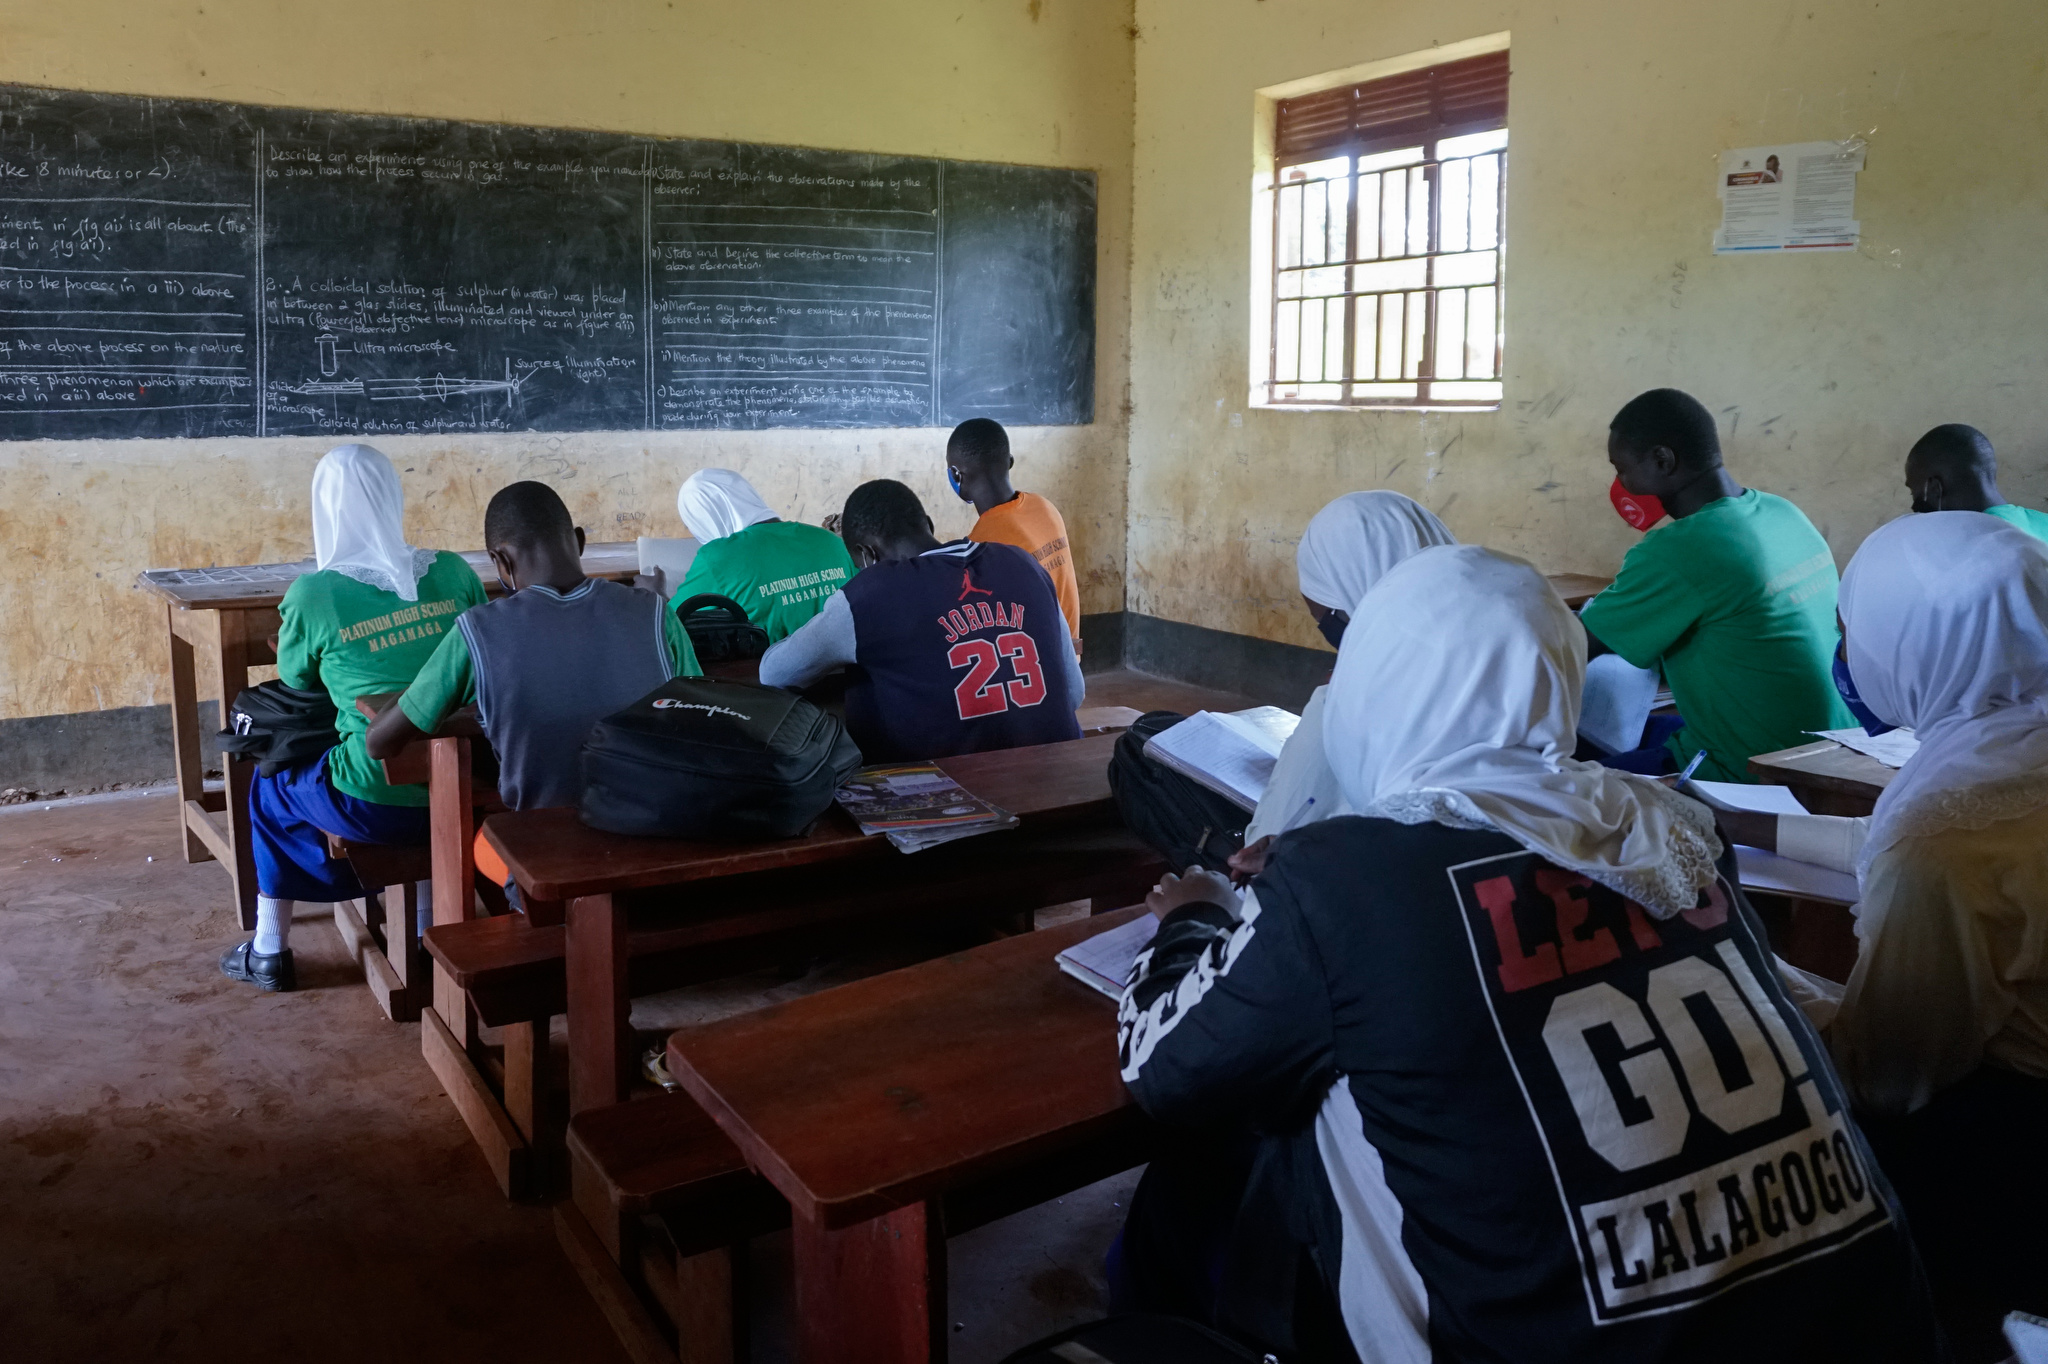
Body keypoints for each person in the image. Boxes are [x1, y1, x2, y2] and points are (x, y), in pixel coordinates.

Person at [1114, 544, 1946, 1361]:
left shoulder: (1345, 879)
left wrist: (1197, 915)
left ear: (1374, 686)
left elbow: (1163, 1070)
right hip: (1875, 1323)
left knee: (1274, 1129)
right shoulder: (1672, 827)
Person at [1711, 512, 2048, 1342]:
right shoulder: (2004, 756)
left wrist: (1764, 980)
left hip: (2020, 1147)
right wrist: (1738, 823)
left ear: (1915, 643)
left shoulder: (1944, 829)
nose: (1849, 655)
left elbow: (1890, 1070)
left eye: (1855, 630)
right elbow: (1900, 854)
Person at [222, 444, 487, 992]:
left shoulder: (313, 594)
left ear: (323, 507)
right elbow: (482, 651)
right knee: (433, 762)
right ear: (394, 496)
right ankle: (424, 932)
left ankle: (269, 949)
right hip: (476, 787)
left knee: (270, 785)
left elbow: (299, 684)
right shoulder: (455, 571)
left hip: (375, 802)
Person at [1110, 490, 1456, 878]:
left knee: (1141, 754)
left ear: (1350, 601)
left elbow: (1266, 841)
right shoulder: (1509, 674)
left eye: (1325, 616)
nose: (1327, 629)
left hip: (1332, 888)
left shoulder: (1346, 705)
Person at [367, 480, 700, 814]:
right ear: (580, 542)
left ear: (500, 562)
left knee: (487, 837)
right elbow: (703, 715)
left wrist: (425, 687)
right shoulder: (657, 613)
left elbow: (379, 742)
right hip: (656, 825)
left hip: (545, 846)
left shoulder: (476, 632)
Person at [1580, 388, 1853, 781]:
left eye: (1622, 468)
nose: (1620, 482)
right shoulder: (1782, 512)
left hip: (1753, 769)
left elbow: (1574, 645)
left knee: (1556, 793)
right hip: (1832, 749)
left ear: (1662, 460)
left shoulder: (1679, 548)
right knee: (1649, 730)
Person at [759, 478, 1082, 761]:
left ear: (867, 556)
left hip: (942, 802)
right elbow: (1074, 693)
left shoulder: (871, 593)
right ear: (928, 523)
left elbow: (774, 673)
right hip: (1057, 775)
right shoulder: (1023, 563)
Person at [671, 468, 857, 642]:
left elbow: (670, 625)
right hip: (850, 672)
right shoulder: (830, 541)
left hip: (767, 675)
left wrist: (657, 592)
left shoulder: (716, 558)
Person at [947, 418, 1083, 654]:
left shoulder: (983, 541)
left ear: (957, 476)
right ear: (1009, 462)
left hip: (1038, 664)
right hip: (1070, 655)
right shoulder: (1044, 507)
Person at [1904, 422, 2048, 541]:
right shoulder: (2043, 521)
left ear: (1935, 489)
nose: (1914, 507)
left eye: (1913, 493)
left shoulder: (1970, 544)